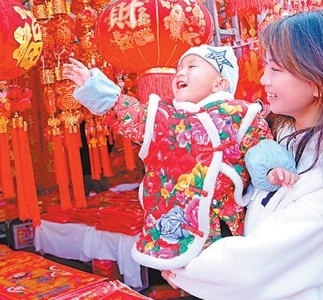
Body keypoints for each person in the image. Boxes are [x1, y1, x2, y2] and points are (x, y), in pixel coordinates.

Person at [160, 9, 323, 300]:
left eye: (276, 69)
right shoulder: (277, 136)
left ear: (319, 80)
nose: (264, 80)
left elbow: (256, 265)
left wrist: (182, 264)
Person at [63, 44, 298, 271]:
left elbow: (258, 145)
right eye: (179, 69)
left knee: (223, 277)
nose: (181, 73)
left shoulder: (240, 113)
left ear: (219, 84)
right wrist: (93, 86)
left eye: (191, 66)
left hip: (221, 221)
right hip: (173, 222)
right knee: (182, 276)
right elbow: (126, 112)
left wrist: (272, 168)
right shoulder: (163, 114)